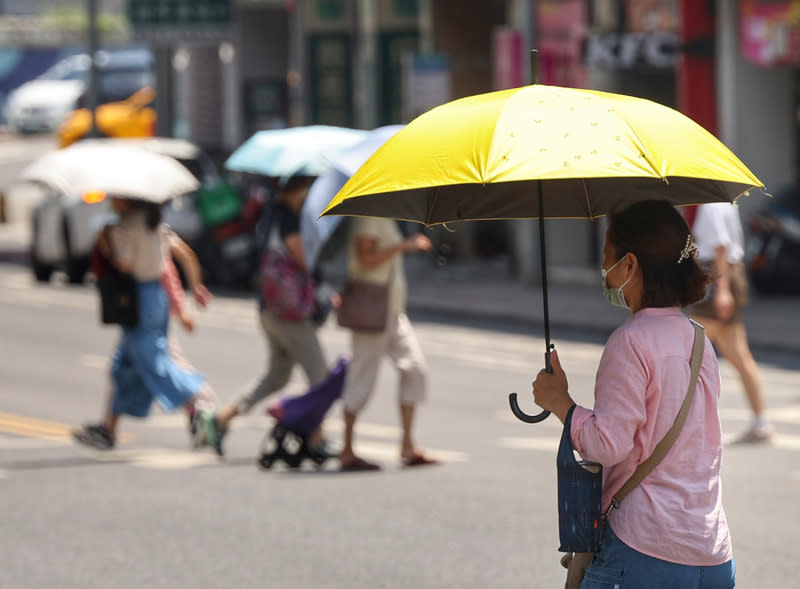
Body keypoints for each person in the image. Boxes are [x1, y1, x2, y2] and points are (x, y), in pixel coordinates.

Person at [531, 200, 735, 586]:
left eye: (607, 259)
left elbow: (608, 444)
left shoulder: (629, 342)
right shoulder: (698, 340)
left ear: (629, 265)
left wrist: (561, 403)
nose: (604, 272)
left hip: (644, 548)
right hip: (711, 552)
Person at [73, 197, 216, 451]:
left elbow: (125, 264)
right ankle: (108, 429)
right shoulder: (156, 223)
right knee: (123, 366)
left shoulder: (125, 226)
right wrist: (196, 287)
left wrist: (106, 244)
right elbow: (186, 254)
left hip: (139, 298)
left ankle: (197, 405)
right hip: (157, 296)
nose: (111, 199)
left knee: (154, 361)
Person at [208, 176, 333, 457]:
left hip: (271, 308)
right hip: (289, 313)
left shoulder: (270, 214)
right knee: (320, 375)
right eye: (304, 185)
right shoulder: (287, 216)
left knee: (277, 375)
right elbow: (302, 257)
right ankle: (314, 438)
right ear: (293, 188)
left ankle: (222, 419)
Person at [338, 217, 438, 471]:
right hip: (372, 309)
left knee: (414, 369)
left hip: (393, 311)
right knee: (362, 377)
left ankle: (407, 444)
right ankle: (347, 449)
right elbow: (366, 259)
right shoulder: (369, 217)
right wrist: (404, 245)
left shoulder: (387, 217)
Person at [688, 202, 772, 443]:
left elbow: (720, 246)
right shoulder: (723, 201)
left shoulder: (711, 204)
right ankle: (760, 421)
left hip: (717, 276)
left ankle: (684, 426)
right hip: (724, 275)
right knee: (738, 355)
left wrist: (722, 290)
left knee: (687, 352)